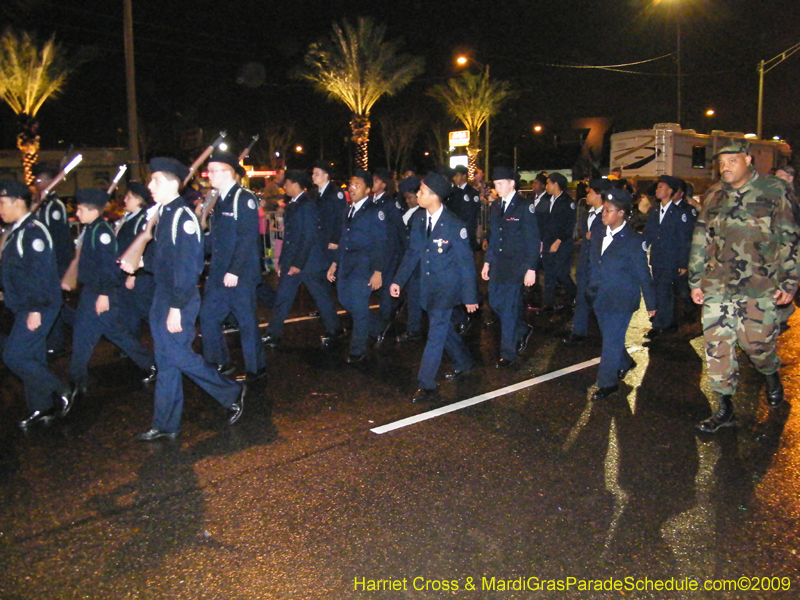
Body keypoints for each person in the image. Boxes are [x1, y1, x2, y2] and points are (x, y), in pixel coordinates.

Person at [688, 141, 800, 433]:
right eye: (721, 162)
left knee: (756, 344)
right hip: (718, 284)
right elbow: (702, 237)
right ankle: (724, 409)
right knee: (717, 346)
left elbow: (789, 237)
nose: (725, 167)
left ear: (748, 159)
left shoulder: (774, 190)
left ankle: (770, 372)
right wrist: (696, 279)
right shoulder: (714, 193)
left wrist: (790, 280)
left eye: (731, 160)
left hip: (759, 285)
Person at [137, 157, 246, 441]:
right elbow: (164, 259)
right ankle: (166, 423)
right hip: (165, 295)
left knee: (177, 356)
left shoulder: (182, 218)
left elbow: (188, 267)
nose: (150, 185)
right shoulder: (165, 214)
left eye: (156, 181)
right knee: (167, 360)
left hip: (178, 298)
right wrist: (139, 262)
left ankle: (231, 390)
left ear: (173, 183)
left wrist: (176, 307)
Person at [391, 173, 479, 403]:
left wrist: (470, 296)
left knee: (436, 334)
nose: (417, 194)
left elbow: (466, 264)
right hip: (427, 287)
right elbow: (413, 253)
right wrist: (398, 281)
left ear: (435, 196)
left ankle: (426, 383)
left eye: (421, 191)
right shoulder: (420, 219)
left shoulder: (454, 225)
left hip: (446, 289)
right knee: (443, 330)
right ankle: (464, 362)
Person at [66, 188, 156, 394]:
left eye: (80, 209)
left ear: (93, 211)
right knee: (94, 334)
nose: (77, 214)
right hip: (93, 290)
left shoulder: (102, 232)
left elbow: (107, 267)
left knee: (100, 334)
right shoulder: (92, 229)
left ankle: (149, 362)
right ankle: (77, 378)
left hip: (99, 292)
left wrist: (104, 294)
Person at [0, 180, 73, 428]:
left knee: (15, 356)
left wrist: (35, 309)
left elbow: (40, 274)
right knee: (33, 356)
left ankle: (60, 388)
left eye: (2, 202)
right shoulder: (18, 231)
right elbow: (16, 271)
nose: (0, 208)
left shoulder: (32, 231)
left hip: (38, 305)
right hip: (25, 304)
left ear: (18, 202)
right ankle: (41, 407)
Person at [199, 149, 266, 382]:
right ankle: (219, 363)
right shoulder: (219, 199)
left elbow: (248, 237)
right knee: (208, 318)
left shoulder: (243, 198)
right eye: (209, 171)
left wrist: (234, 270)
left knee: (246, 321)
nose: (209, 175)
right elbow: (216, 238)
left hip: (239, 275)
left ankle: (256, 368)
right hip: (219, 273)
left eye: (214, 171)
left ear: (228, 173)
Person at [260, 170, 344, 347]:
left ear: (296, 185)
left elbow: (308, 237)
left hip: (309, 263)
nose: (285, 186)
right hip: (295, 262)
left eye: (288, 183)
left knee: (321, 298)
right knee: (283, 298)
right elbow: (289, 238)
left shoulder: (307, 206)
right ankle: (273, 334)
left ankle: (335, 330)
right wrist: (283, 262)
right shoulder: (294, 205)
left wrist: (297, 264)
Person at [587, 188, 656, 400]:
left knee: (610, 341)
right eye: (603, 210)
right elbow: (593, 263)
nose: (603, 214)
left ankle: (607, 383)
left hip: (621, 299)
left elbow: (643, 274)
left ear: (622, 213)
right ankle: (625, 362)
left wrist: (651, 304)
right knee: (610, 337)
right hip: (600, 295)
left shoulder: (634, 241)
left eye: (608, 210)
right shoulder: (598, 233)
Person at [482, 167, 540, 368]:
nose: (497, 188)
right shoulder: (496, 205)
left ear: (512, 183)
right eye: (495, 184)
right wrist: (487, 262)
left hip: (516, 266)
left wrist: (531, 268)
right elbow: (494, 236)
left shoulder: (524, 207)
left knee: (506, 309)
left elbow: (533, 240)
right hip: (498, 264)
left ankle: (508, 353)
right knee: (495, 303)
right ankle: (522, 329)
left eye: (500, 184)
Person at [327, 170, 386, 363]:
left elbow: (380, 242)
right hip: (346, 265)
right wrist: (334, 263)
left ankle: (357, 350)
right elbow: (343, 239)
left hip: (364, 266)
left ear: (368, 189)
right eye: (351, 184)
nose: (352, 188)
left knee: (359, 309)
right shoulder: (348, 209)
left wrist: (378, 271)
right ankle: (377, 328)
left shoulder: (374, 211)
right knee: (345, 301)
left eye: (357, 185)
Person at [31, 163, 74, 358]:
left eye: (40, 180)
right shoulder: (41, 204)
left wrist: (60, 267)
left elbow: (58, 239)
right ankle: (84, 323)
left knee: (52, 303)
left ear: (50, 181)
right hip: (45, 263)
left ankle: (55, 344)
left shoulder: (54, 206)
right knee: (57, 305)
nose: (36, 183)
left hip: (55, 262)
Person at [643, 175, 692, 339]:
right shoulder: (655, 210)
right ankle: (666, 321)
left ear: (671, 191)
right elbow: (649, 233)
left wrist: (683, 262)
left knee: (663, 290)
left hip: (671, 258)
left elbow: (684, 239)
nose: (658, 190)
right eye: (658, 188)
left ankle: (661, 324)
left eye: (661, 188)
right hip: (657, 257)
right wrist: (641, 247)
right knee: (660, 289)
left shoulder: (680, 213)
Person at [564, 178, 610, 345]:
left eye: (590, 191)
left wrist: (596, 235)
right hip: (585, 260)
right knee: (581, 296)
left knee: (600, 301)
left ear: (599, 194)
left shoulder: (609, 214)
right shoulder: (587, 213)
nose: (586, 194)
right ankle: (578, 332)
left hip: (599, 264)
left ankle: (611, 338)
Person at [368, 168, 406, 344]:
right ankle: (389, 311)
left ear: (383, 184)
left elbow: (397, 229)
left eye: (375, 181)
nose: (372, 184)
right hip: (375, 251)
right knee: (377, 287)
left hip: (389, 251)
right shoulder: (370, 202)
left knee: (386, 286)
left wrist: (400, 253)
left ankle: (383, 324)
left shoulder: (390, 203)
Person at [116, 182, 156, 342]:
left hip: (138, 274)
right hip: (125, 271)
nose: (125, 200)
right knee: (128, 309)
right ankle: (132, 343)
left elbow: (144, 248)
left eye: (129, 197)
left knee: (144, 308)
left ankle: (164, 340)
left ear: (139, 200)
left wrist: (135, 274)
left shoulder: (143, 220)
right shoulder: (128, 218)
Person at [539, 172, 577, 310]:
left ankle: (575, 294)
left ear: (556, 184)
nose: (546, 186)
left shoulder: (567, 202)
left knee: (560, 272)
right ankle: (548, 304)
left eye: (549, 183)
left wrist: (559, 240)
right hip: (548, 240)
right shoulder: (547, 200)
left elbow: (569, 224)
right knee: (549, 273)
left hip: (562, 243)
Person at [395, 175, 425, 343]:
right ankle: (413, 329)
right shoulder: (409, 212)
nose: (407, 201)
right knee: (414, 297)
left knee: (417, 297)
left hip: (418, 263)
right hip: (409, 260)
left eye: (410, 197)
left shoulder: (421, 214)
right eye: (405, 198)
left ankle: (414, 330)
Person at [447, 165, 481, 251]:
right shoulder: (452, 192)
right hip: (453, 229)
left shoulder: (471, 192)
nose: (455, 178)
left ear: (464, 176)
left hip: (466, 231)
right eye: (454, 176)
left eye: (457, 175)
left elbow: (471, 214)